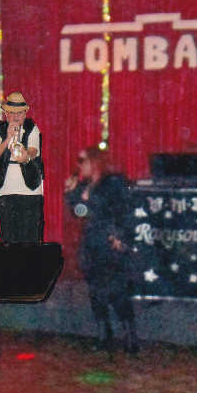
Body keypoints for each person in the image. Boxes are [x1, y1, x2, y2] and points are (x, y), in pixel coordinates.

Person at [64, 147, 139, 354]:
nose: (79, 166)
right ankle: (104, 334)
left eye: (83, 161)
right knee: (96, 291)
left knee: (116, 290)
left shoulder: (113, 183)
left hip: (110, 241)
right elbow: (79, 212)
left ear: (94, 162)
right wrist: (72, 193)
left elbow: (124, 210)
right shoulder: (85, 185)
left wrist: (121, 235)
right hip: (92, 243)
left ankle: (130, 336)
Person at [0, 91, 44, 243]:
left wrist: (25, 156)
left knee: (30, 241)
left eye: (19, 113)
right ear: (6, 114)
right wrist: (7, 139)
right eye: (12, 113)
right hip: (5, 192)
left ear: (25, 113)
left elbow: (34, 151)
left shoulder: (32, 128)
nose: (15, 117)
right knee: (9, 241)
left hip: (30, 191)